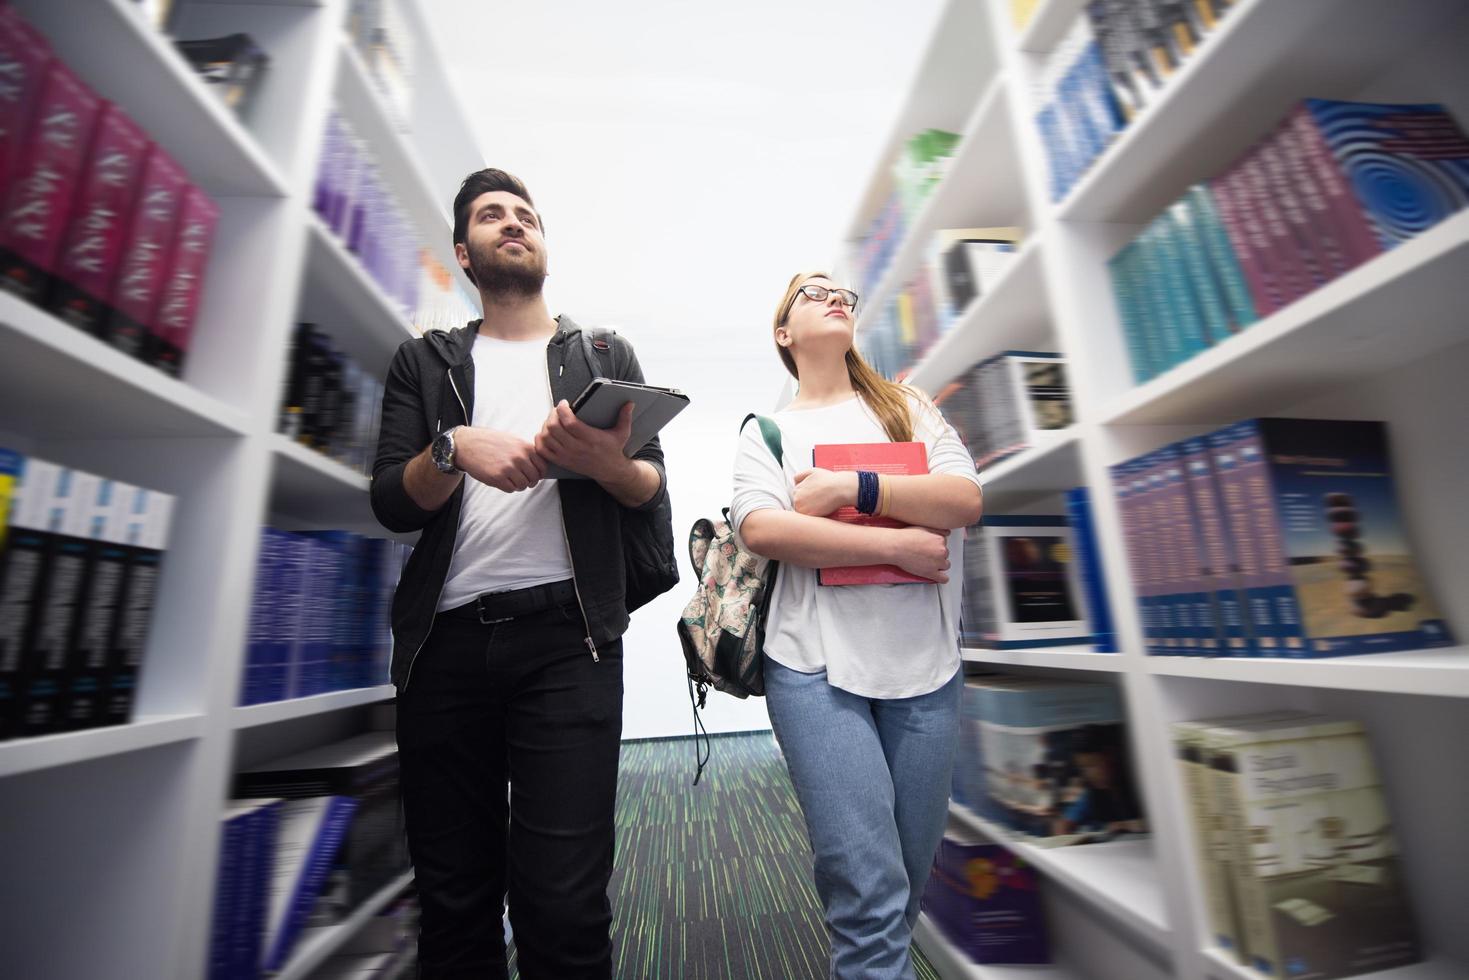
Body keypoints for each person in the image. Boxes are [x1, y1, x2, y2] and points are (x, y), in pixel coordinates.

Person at [370, 168, 668, 980]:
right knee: (454, 900)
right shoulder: (423, 363)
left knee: (565, 905)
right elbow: (392, 503)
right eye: (491, 215)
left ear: (541, 243)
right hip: (443, 650)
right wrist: (453, 448)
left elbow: (650, 488)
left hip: (567, 645)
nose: (513, 223)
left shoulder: (601, 355)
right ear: (464, 253)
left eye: (525, 214)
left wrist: (609, 463)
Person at [730, 271, 984, 979]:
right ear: (783, 334)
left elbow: (963, 498)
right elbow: (759, 526)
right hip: (813, 674)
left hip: (926, 670)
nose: (835, 296)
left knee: (900, 891)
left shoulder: (906, 408)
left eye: (841, 290)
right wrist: (895, 540)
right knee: (870, 899)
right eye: (812, 293)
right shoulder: (771, 431)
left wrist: (853, 487)